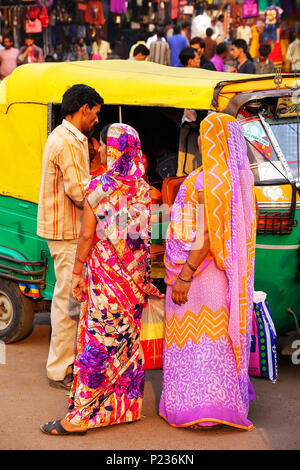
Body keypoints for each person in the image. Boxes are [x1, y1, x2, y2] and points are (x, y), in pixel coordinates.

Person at [40, 123, 163, 435]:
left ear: (113, 151)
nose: (103, 151)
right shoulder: (145, 190)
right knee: (125, 343)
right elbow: (143, 239)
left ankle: (81, 417)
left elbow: (86, 235)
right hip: (133, 284)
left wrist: (78, 271)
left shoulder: (101, 188)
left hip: (106, 282)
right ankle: (125, 409)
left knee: (99, 341)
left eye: (107, 147)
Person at [159, 112, 257, 430]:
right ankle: (222, 403)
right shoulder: (232, 176)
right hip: (217, 273)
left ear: (213, 138)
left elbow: (205, 236)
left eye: (203, 133)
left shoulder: (209, 180)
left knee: (198, 341)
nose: (199, 139)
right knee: (213, 341)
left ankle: (200, 409)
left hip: (198, 273)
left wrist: (185, 275)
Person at [37, 84, 103, 390]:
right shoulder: (67, 141)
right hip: (66, 232)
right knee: (67, 301)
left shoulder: (70, 138)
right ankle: (60, 369)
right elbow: (80, 194)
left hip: (68, 230)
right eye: (96, 113)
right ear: (84, 108)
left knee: (69, 299)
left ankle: (67, 364)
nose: (97, 120)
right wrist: (112, 188)